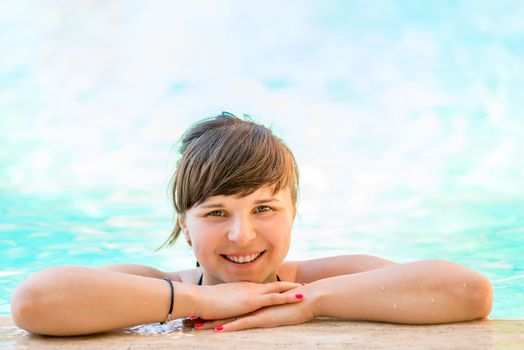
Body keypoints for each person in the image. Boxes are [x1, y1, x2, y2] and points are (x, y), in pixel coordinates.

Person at [11, 112, 493, 336]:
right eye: (216, 213)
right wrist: (202, 298)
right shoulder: (156, 287)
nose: (242, 235)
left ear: (293, 212)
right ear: (184, 222)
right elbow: (36, 301)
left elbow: (467, 292)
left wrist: (312, 302)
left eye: (264, 209)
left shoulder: (319, 281)